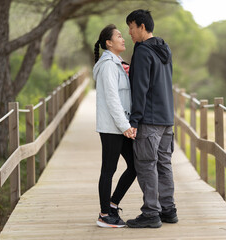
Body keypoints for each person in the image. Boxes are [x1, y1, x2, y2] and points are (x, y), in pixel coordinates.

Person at [125, 9, 178, 228]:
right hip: (166, 118)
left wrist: (134, 120)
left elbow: (141, 89)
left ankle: (151, 213)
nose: (129, 32)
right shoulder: (164, 48)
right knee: (164, 164)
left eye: (131, 27)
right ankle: (169, 210)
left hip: (149, 119)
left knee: (146, 165)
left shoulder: (143, 51)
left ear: (142, 27)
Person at [93, 24, 136, 228]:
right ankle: (104, 215)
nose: (123, 38)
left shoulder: (117, 62)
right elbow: (112, 98)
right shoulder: (109, 64)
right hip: (112, 126)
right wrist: (124, 125)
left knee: (135, 165)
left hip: (120, 125)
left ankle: (112, 204)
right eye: (119, 36)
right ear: (108, 42)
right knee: (108, 169)